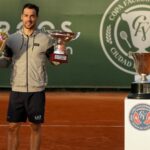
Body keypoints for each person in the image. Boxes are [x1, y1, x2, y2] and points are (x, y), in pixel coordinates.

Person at [0, 3, 62, 150]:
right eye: (26, 15)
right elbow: (4, 63)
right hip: (17, 90)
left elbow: (55, 63)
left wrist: (62, 48)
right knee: (12, 127)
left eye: (32, 16)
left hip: (36, 91)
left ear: (37, 18)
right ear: (22, 17)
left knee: (35, 127)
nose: (29, 19)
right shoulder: (11, 40)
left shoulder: (46, 39)